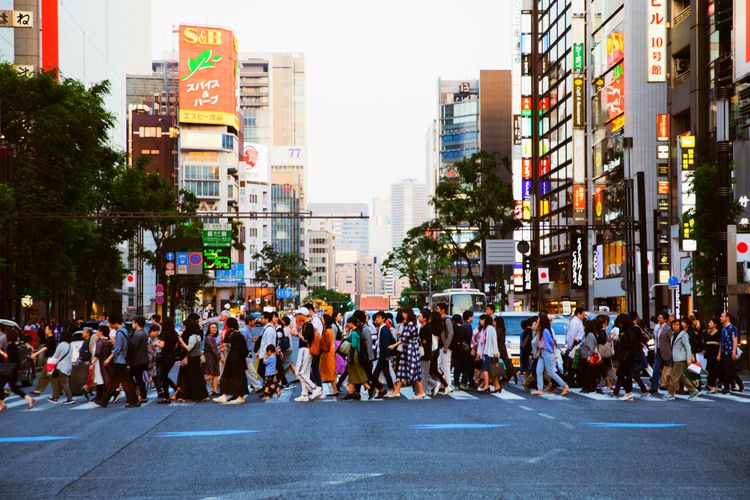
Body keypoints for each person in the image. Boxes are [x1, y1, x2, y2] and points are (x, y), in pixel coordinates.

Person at [96, 315, 140, 408]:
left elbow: (118, 348)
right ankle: (104, 400)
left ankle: (133, 401)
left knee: (125, 382)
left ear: (114, 323)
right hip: (121, 360)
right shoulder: (124, 330)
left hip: (120, 360)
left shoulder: (119, 332)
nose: (109, 325)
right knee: (114, 381)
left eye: (110, 323)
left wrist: (108, 358)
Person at [385, 308, 426, 399]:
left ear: (408, 314)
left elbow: (403, 338)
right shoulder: (411, 323)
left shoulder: (410, 324)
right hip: (408, 349)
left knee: (413, 369)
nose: (403, 314)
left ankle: (421, 391)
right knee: (402, 369)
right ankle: (397, 391)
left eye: (405, 313)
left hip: (410, 350)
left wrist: (394, 345)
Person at [214, 318, 250, 404]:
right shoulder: (237, 334)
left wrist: (227, 331)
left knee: (237, 377)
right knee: (227, 376)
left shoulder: (235, 335)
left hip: (235, 359)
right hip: (235, 358)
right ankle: (225, 395)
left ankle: (240, 396)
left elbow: (226, 339)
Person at [531, 314, 569, 396]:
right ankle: (540, 389)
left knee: (551, 372)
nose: (537, 321)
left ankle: (564, 386)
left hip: (547, 352)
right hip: (542, 352)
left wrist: (554, 353)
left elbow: (552, 342)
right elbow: (534, 331)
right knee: (539, 370)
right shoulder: (540, 331)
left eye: (539, 320)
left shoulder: (545, 331)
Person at [0, 326, 35, 411]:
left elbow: (10, 358)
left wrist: (2, 353)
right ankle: (28, 399)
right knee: (12, 387)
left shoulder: (11, 347)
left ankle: (2, 404)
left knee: (5, 386)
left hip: (10, 370)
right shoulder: (14, 345)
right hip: (13, 369)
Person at [174, 319, 209, 402]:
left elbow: (189, 349)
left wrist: (182, 342)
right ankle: (202, 395)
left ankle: (184, 396)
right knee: (197, 377)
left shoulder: (192, 337)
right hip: (197, 358)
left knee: (188, 377)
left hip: (192, 359)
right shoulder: (198, 336)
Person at [668, 318, 700, 400]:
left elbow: (688, 347)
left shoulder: (683, 334)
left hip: (680, 359)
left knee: (674, 377)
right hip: (675, 359)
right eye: (673, 324)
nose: (675, 326)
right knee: (682, 377)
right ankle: (694, 391)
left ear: (680, 326)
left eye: (677, 324)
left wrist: (689, 358)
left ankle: (670, 394)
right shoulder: (673, 334)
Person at [294, 323, 323, 402]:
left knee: (299, 372)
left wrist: (297, 334)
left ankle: (315, 388)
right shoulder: (307, 325)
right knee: (305, 372)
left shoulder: (308, 325)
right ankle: (304, 394)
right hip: (307, 350)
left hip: (304, 350)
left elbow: (307, 339)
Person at [342, 316, 370, 400]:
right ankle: (350, 393)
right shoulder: (356, 331)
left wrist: (346, 345)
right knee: (353, 374)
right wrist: (347, 332)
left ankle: (369, 388)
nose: (347, 325)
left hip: (354, 355)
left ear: (351, 323)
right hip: (356, 354)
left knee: (357, 373)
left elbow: (353, 345)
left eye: (348, 323)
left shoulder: (354, 333)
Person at [370, 311, 395, 399]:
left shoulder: (384, 329)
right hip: (381, 354)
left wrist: (387, 355)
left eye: (379, 317)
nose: (377, 319)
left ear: (383, 319)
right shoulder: (381, 328)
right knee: (386, 373)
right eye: (376, 317)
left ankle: (376, 390)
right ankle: (387, 390)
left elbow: (386, 343)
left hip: (383, 355)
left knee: (374, 375)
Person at [47, 329, 75, 405]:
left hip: (61, 366)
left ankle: (69, 398)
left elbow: (56, 355)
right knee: (60, 383)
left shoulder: (61, 345)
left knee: (64, 383)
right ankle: (55, 397)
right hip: (68, 366)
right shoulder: (70, 346)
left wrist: (51, 362)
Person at [155, 318, 179, 404]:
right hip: (172, 356)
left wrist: (156, 343)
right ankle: (174, 389)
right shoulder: (175, 333)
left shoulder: (164, 333)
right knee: (164, 375)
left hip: (165, 356)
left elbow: (162, 345)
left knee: (163, 376)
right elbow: (176, 345)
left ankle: (167, 396)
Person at [719, 312, 744, 393]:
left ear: (727, 318)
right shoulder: (723, 328)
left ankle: (738, 383)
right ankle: (727, 387)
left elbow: (735, 340)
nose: (720, 318)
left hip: (729, 352)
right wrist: (719, 353)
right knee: (724, 370)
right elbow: (721, 342)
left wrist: (734, 352)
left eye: (722, 316)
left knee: (728, 370)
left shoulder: (732, 328)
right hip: (723, 351)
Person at [477, 314, 501, 393]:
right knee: (491, 370)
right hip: (485, 353)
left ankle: (486, 386)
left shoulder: (491, 328)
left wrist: (496, 352)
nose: (480, 321)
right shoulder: (484, 329)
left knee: (485, 369)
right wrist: (479, 353)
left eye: (481, 319)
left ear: (485, 320)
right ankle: (497, 387)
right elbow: (481, 343)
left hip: (490, 353)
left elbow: (494, 341)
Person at [30, 324, 57, 396]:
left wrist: (35, 354)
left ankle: (38, 390)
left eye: (46, 329)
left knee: (45, 375)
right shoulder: (49, 338)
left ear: (50, 330)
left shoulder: (51, 338)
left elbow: (45, 348)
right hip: (49, 359)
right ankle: (58, 390)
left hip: (50, 359)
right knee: (49, 375)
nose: (45, 330)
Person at [650, 312, 673, 394]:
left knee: (671, 371)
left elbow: (672, 341)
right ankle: (654, 387)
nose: (658, 319)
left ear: (665, 319)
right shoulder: (658, 327)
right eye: (658, 317)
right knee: (656, 369)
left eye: (660, 318)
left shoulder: (668, 328)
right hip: (659, 351)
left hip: (667, 352)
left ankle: (673, 387)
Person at [129, 316, 150, 403]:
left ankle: (136, 395)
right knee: (139, 378)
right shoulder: (144, 333)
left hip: (136, 360)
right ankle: (143, 396)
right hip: (143, 359)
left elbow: (134, 347)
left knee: (130, 377)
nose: (133, 324)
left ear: (136, 323)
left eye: (133, 322)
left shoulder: (137, 334)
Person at [435, 302, 454, 395]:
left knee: (446, 366)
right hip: (440, 347)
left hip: (445, 347)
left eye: (438, 309)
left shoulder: (447, 320)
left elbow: (450, 333)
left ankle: (448, 386)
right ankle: (444, 384)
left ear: (443, 310)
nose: (437, 310)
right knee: (437, 366)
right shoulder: (441, 320)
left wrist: (446, 346)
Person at [418, 308, 435, 394]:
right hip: (424, 352)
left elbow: (426, 341)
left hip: (426, 353)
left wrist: (421, 340)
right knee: (423, 372)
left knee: (424, 373)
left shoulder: (427, 328)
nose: (418, 317)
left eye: (420, 316)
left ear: (425, 318)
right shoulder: (423, 327)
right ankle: (430, 386)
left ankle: (424, 390)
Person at [319, 314, 337, 395]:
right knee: (329, 371)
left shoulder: (327, 331)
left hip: (327, 353)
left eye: (323, 319)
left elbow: (327, 343)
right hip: (329, 352)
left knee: (329, 371)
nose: (321, 320)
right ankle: (334, 389)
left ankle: (335, 390)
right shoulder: (328, 330)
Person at [704, 318, 723, 393]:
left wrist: (719, 354)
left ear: (715, 324)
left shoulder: (718, 333)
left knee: (715, 371)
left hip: (715, 354)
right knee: (709, 370)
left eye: (711, 322)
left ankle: (714, 387)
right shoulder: (708, 332)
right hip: (709, 354)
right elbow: (705, 342)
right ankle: (711, 386)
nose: (709, 324)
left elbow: (720, 344)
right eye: (709, 322)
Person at [204, 323, 221, 396]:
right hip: (210, 357)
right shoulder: (208, 337)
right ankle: (198, 383)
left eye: (215, 327)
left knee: (216, 374)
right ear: (209, 329)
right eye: (212, 327)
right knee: (211, 374)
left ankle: (214, 390)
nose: (214, 329)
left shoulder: (213, 337)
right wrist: (219, 357)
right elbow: (213, 348)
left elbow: (215, 348)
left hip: (214, 356)